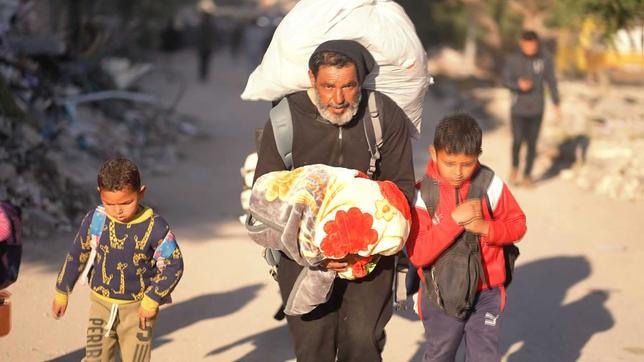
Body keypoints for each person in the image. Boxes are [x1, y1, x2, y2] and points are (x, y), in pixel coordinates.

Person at [253, 39, 415, 361]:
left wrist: (359, 245)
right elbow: (265, 198)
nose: (338, 99)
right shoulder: (286, 119)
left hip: (370, 258)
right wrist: (317, 250)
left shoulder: (383, 117)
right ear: (312, 79)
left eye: (348, 86)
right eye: (328, 86)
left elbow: (402, 189)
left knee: (362, 343)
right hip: (302, 259)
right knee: (313, 349)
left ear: (360, 83)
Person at [406, 113, 527, 362]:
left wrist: (486, 228)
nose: (459, 172)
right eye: (449, 163)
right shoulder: (423, 194)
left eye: (468, 163)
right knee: (441, 354)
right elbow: (418, 254)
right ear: (433, 153)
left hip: (488, 292)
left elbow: (517, 226)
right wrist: (453, 221)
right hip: (440, 295)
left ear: (478, 155)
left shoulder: (491, 185)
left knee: (484, 356)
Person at [51, 158, 184, 362]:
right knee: (96, 357)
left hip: (139, 311)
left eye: (126, 202)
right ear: (100, 194)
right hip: (100, 306)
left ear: (141, 192)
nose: (118, 210)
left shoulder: (155, 227)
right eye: (109, 203)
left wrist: (152, 299)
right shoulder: (96, 220)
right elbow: (77, 253)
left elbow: (174, 264)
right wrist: (62, 291)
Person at [503, 30, 560, 186]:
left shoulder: (545, 59)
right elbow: (505, 81)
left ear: (537, 44)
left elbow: (552, 81)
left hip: (537, 108)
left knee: (532, 143)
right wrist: (518, 85)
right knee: (517, 141)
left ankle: (527, 175)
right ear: (522, 43)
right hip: (518, 108)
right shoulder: (513, 59)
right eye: (527, 46)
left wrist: (557, 103)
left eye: (533, 46)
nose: (531, 49)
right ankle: (515, 167)